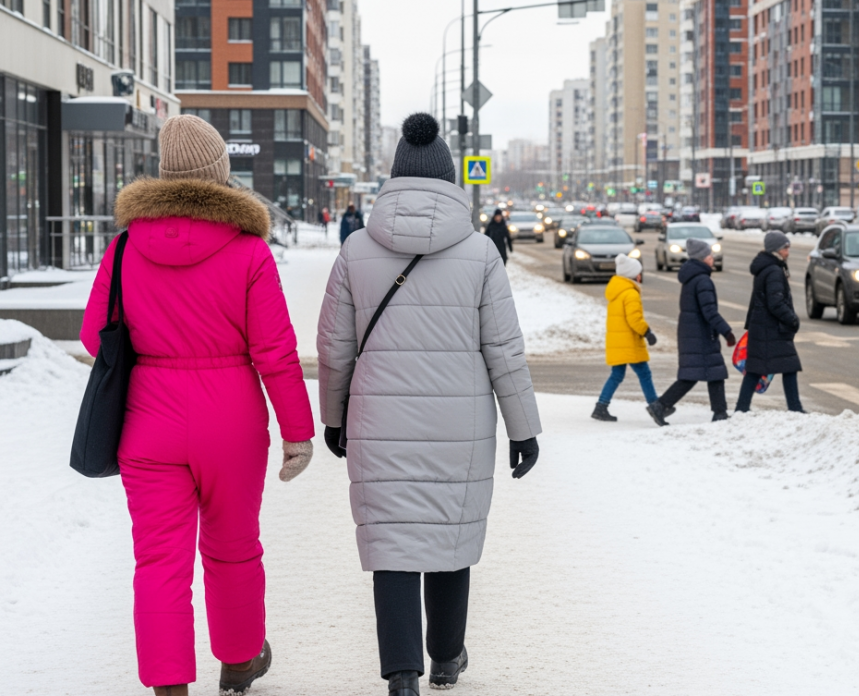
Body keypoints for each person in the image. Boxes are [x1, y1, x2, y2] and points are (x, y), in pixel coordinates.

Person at [80, 114, 315, 696]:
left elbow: (94, 336)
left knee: (159, 563)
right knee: (233, 549)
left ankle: (169, 687)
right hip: (231, 421)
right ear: (220, 174)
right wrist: (297, 432)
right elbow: (276, 351)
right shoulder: (249, 251)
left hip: (149, 421)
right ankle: (238, 664)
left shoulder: (126, 247)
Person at [316, 112, 542, 695]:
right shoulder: (481, 254)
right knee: (450, 534)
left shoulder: (355, 251)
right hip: (458, 427)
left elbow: (334, 348)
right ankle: (445, 657)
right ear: (450, 183)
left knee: (391, 540)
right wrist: (524, 429)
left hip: (377, 420)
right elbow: (505, 349)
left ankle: (402, 675)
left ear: (394, 179)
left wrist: (334, 417)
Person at [647, 237, 735, 425]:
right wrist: (726, 331)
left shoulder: (692, 277)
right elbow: (709, 311)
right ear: (703, 258)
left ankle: (718, 412)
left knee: (706, 373)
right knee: (705, 374)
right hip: (700, 334)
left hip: (693, 333)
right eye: (709, 254)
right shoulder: (703, 280)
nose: (712, 257)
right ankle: (661, 406)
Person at [736, 232, 804, 413]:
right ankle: (795, 408)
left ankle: (741, 409)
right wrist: (792, 319)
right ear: (776, 249)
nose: (788, 252)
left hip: (763, 327)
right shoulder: (774, 270)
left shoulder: (767, 267)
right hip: (771, 329)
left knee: (756, 368)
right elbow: (776, 303)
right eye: (785, 248)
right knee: (788, 366)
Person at [594, 254, 658, 421]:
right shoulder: (630, 293)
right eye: (639, 272)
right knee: (644, 373)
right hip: (629, 341)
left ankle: (601, 406)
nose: (640, 275)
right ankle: (655, 407)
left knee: (617, 375)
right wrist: (647, 332)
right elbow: (634, 319)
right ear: (634, 275)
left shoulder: (617, 291)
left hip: (618, 341)